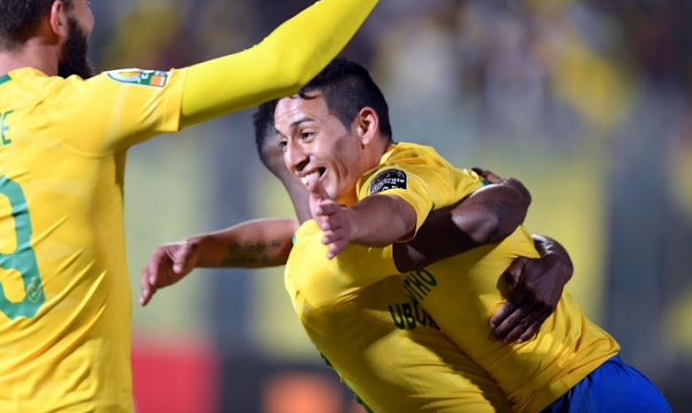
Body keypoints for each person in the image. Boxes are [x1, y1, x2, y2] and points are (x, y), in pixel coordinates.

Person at [0, 0, 456, 411]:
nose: (91, 21)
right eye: (86, 3)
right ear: (58, 18)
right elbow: (280, 67)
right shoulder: (82, 107)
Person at [271, 57, 672, 412]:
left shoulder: (402, 170)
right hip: (540, 398)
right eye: (284, 143)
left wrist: (353, 224)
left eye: (306, 135)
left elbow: (399, 206)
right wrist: (553, 255)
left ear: (364, 125)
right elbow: (495, 216)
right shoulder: (353, 225)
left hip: (588, 388)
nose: (293, 158)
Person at [140, 98, 575, 411]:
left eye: (310, 133)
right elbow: (484, 219)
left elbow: (291, 235)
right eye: (295, 142)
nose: (305, 156)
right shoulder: (344, 250)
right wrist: (518, 199)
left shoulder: (359, 227)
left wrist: (201, 249)